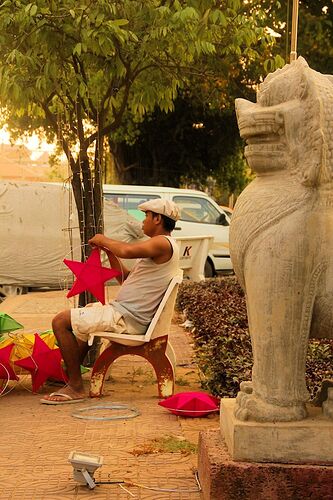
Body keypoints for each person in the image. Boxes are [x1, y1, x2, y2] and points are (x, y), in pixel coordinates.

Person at [40, 199, 180, 404]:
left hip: (126, 319)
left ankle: (76, 387)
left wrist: (104, 240)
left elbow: (127, 251)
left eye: (146, 217)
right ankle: (70, 376)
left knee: (60, 321)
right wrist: (110, 252)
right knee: (87, 313)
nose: (142, 222)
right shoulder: (162, 247)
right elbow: (124, 277)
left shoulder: (162, 242)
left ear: (158, 219)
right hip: (125, 314)